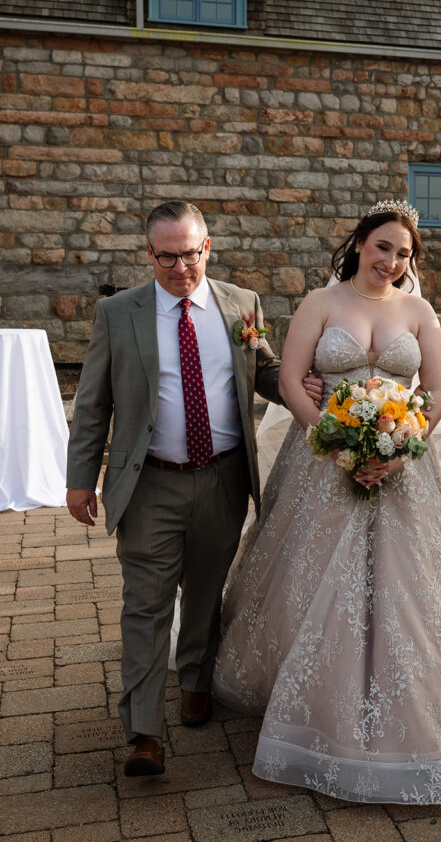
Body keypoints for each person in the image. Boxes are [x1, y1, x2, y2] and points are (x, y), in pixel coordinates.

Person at [212, 200, 441, 805]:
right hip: (324, 462)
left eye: (404, 253)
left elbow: (435, 391)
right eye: (383, 247)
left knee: (411, 588)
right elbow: (291, 379)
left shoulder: (419, 309)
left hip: (402, 464)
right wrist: (335, 446)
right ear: (359, 244)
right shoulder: (321, 304)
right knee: (310, 577)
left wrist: (402, 446)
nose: (392, 261)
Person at [66, 201, 286, 777]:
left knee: (208, 589)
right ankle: (143, 732)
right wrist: (78, 481)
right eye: (168, 256)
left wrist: (322, 391)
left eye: (191, 254)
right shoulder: (119, 314)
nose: (181, 267)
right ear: (149, 255)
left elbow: (263, 370)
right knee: (146, 604)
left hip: (222, 476)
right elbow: (92, 406)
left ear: (207, 247)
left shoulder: (242, 305)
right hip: (148, 485)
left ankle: (194, 679)